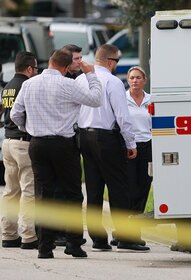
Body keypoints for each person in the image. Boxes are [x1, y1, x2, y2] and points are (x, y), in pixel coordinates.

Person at [10, 48, 102, 259]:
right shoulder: (68, 84)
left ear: (50, 62)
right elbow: (96, 99)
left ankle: (45, 247)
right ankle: (73, 243)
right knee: (72, 194)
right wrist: (90, 74)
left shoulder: (29, 84)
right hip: (63, 144)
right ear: (66, 67)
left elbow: (15, 113)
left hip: (38, 143)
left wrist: (28, 128)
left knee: (43, 195)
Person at [77, 44, 149, 252]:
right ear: (110, 62)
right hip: (106, 138)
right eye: (116, 62)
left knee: (93, 188)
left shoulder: (81, 79)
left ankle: (98, 239)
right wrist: (131, 143)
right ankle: (125, 237)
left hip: (85, 135)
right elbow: (122, 116)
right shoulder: (113, 81)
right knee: (119, 188)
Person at [1, 51, 38, 250]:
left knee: (10, 191)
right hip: (23, 142)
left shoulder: (7, 87)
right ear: (30, 68)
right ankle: (29, 236)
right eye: (36, 69)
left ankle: (8, 234)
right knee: (28, 191)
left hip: (8, 142)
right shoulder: (26, 86)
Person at [52, 44, 86, 247]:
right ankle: (60, 233)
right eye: (76, 59)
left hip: (68, 138)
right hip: (61, 139)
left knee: (63, 189)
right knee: (61, 190)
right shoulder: (65, 83)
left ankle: (62, 232)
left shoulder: (73, 80)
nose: (80, 62)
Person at [123, 66, 153, 246]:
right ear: (128, 80)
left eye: (138, 78)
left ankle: (136, 229)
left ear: (144, 80)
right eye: (132, 78)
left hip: (147, 146)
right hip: (128, 146)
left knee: (144, 187)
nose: (135, 81)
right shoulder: (123, 99)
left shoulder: (151, 100)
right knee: (129, 189)